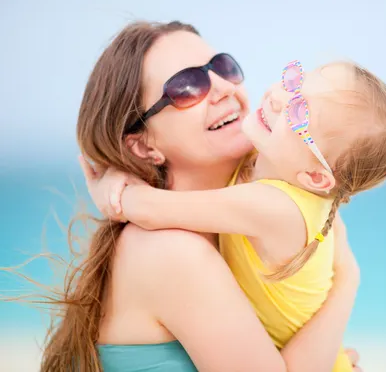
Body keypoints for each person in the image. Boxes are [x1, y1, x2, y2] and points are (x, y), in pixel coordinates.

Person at [40, 20, 362, 372]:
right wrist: (347, 281)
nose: (224, 87)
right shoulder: (173, 250)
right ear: (144, 145)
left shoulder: (244, 233)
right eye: (187, 86)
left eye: (223, 67)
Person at [84, 58, 386, 371]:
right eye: (296, 83)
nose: (280, 97)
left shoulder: (275, 207)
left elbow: (153, 211)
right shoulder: (287, 172)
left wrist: (109, 187)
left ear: (315, 178)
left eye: (300, 112)